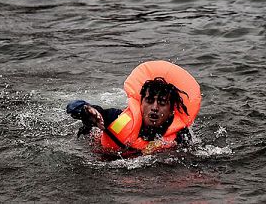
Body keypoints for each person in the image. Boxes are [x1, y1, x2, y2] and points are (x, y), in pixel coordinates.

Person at [66, 60, 201, 156]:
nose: (154, 108)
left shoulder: (180, 136)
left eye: (162, 103)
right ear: (141, 103)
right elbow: (73, 107)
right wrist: (86, 111)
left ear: (172, 109)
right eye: (149, 101)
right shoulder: (116, 118)